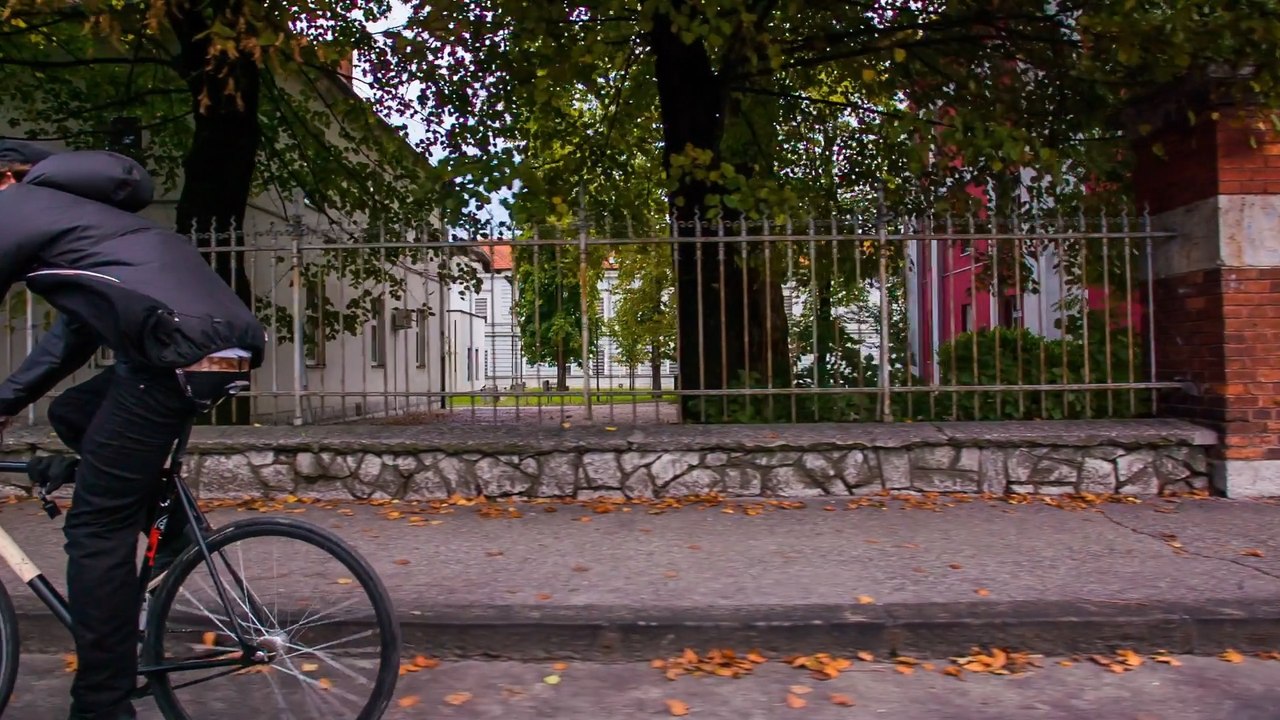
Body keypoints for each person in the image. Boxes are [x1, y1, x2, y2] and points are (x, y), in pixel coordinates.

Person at [0, 139, 267, 720]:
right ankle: (168, 523)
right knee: (72, 415)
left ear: (6, 176)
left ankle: (102, 704)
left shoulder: (16, 208)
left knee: (95, 530)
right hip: (217, 352)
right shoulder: (97, 225)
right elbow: (70, 338)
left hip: (173, 358)